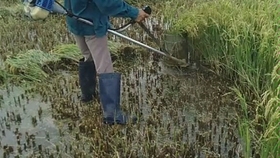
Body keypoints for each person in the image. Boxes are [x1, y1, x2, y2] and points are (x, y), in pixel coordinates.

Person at [63, 0, 150, 125]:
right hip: (92, 24)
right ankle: (112, 115)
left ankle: (88, 95)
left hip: (75, 20)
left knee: (88, 56)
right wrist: (135, 12)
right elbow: (108, 4)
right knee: (104, 66)